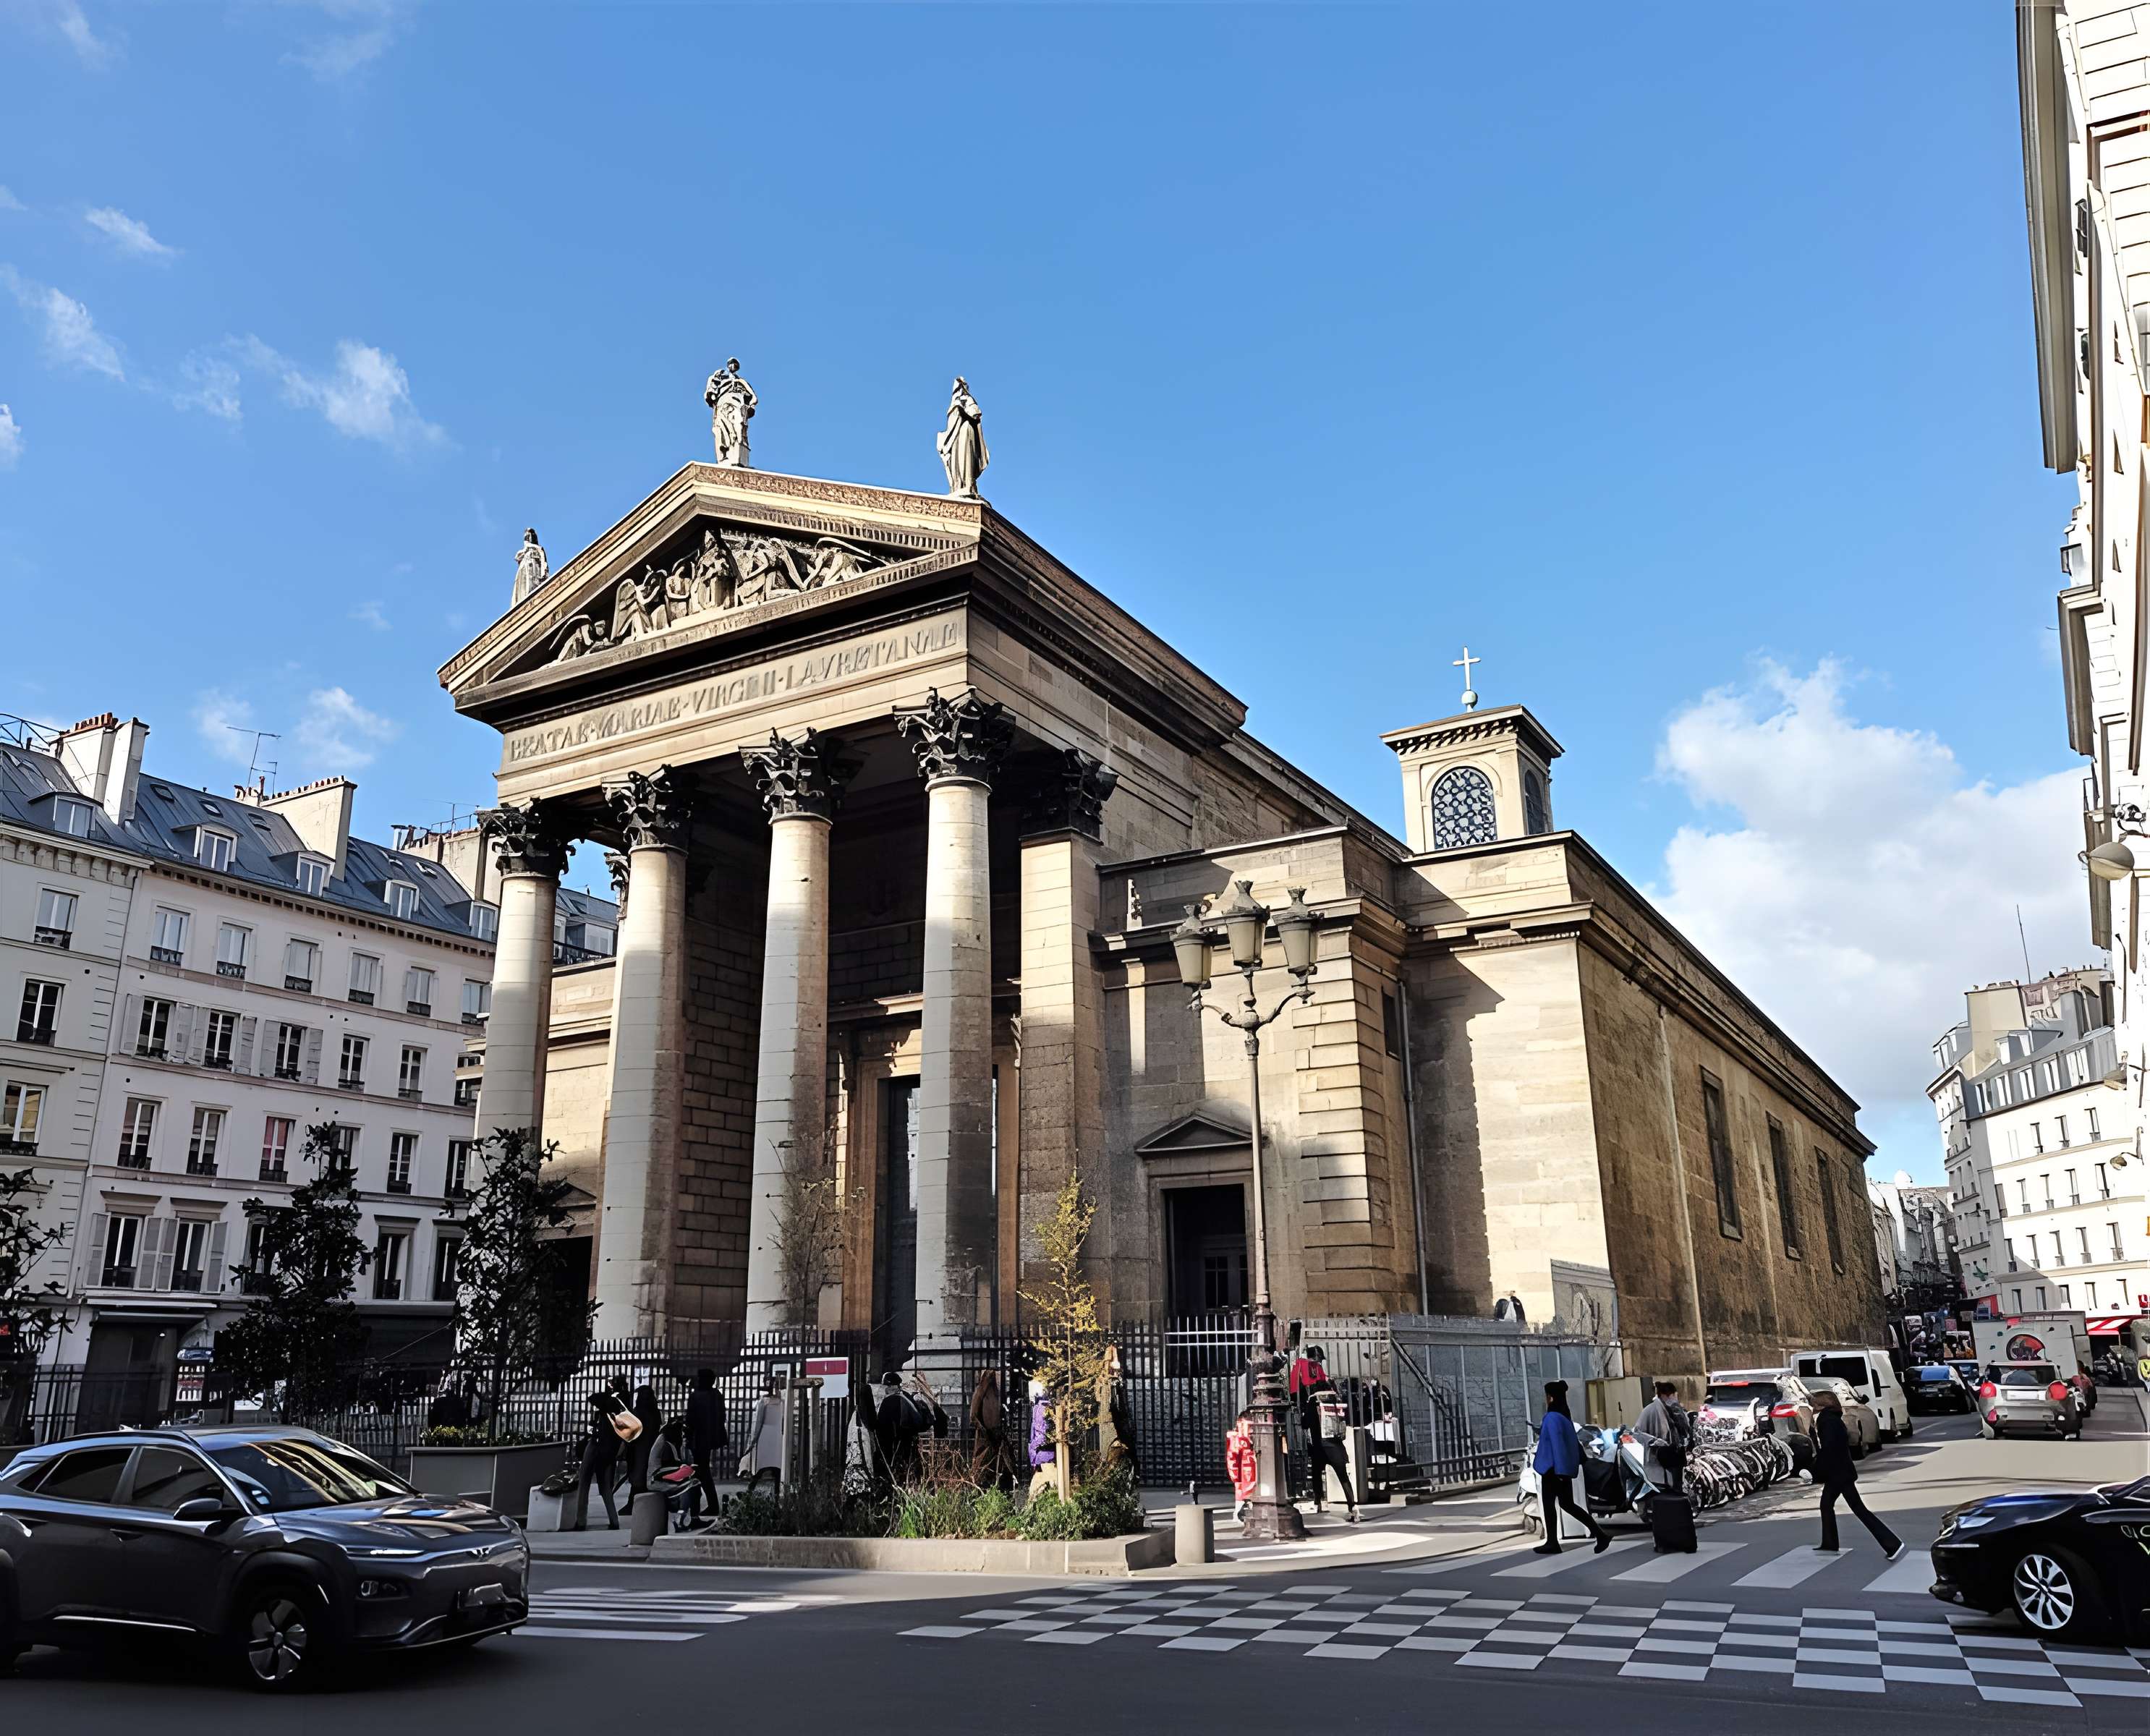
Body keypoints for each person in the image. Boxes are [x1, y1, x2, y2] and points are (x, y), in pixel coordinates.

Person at [1811, 1387, 1904, 1560]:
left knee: (1858, 1509)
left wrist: (1818, 1471)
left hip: (1837, 1473)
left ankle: (1892, 1544)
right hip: (1840, 1471)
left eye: (1815, 1401)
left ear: (1822, 1404)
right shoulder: (1832, 1418)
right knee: (1827, 1505)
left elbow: (1829, 1448)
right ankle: (1830, 1543)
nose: (1812, 1404)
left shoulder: (1828, 1420)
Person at [1531, 1380, 1610, 1555]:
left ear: (1550, 1398)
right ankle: (1600, 1534)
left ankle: (1552, 1542)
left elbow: (1557, 1445)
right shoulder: (1565, 1417)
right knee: (1568, 1504)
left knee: (1550, 1505)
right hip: (1561, 1468)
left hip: (1552, 1468)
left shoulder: (1551, 1418)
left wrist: (1559, 1471)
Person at [572, 1377, 632, 1531]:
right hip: (609, 1448)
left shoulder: (611, 1404)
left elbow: (594, 1398)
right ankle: (614, 1521)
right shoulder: (624, 1406)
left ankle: (581, 1521)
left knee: (585, 1481)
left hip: (597, 1445)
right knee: (605, 1486)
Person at [1306, 1376, 1360, 1523]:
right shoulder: (1335, 1400)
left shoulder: (1312, 1402)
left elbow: (1306, 1423)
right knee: (1343, 1477)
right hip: (1335, 1445)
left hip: (1319, 1446)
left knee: (1317, 1473)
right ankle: (1353, 1507)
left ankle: (1318, 1502)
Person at [1633, 1380, 1693, 1497]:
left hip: (1676, 1457)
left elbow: (1685, 1430)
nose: (1675, 1399)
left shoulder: (1675, 1410)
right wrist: (1653, 1441)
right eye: (1673, 1396)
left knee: (1676, 1489)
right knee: (1662, 1492)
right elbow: (1637, 1432)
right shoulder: (1650, 1410)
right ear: (1665, 1395)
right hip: (1659, 1457)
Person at [684, 1367, 728, 1518]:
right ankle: (704, 1503)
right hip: (710, 1439)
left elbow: (690, 1419)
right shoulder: (716, 1395)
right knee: (701, 1471)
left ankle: (706, 1504)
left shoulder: (696, 1396)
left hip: (698, 1439)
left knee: (701, 1471)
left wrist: (687, 1435)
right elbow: (722, 1417)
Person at [737, 1377, 786, 1495]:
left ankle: (749, 1492)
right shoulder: (782, 1402)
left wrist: (752, 1441)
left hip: (763, 1436)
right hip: (777, 1437)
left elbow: (757, 1423)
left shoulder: (763, 1402)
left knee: (759, 1468)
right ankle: (776, 1495)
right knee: (777, 1469)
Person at [969, 1367, 1013, 1489]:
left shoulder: (995, 1395)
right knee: (983, 1467)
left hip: (995, 1437)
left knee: (997, 1465)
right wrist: (984, 1431)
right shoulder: (980, 1392)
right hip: (985, 1439)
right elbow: (973, 1416)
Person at [626, 1382, 665, 1497]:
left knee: (639, 1471)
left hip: (640, 1446)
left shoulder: (638, 1412)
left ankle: (635, 1500)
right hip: (652, 1445)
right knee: (648, 1471)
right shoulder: (655, 1412)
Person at [1225, 1410, 1258, 1526]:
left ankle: (1242, 1513)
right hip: (1244, 1473)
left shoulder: (1242, 1439)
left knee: (1246, 1491)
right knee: (1242, 1492)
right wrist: (1234, 1474)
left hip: (1247, 1471)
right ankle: (1240, 1513)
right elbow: (1232, 1458)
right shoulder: (1239, 1440)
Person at [1027, 1377, 1058, 1498]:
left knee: (1037, 1492)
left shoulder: (1039, 1409)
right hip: (1047, 1456)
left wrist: (1033, 1453)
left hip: (1044, 1456)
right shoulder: (1045, 1407)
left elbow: (1040, 1435)